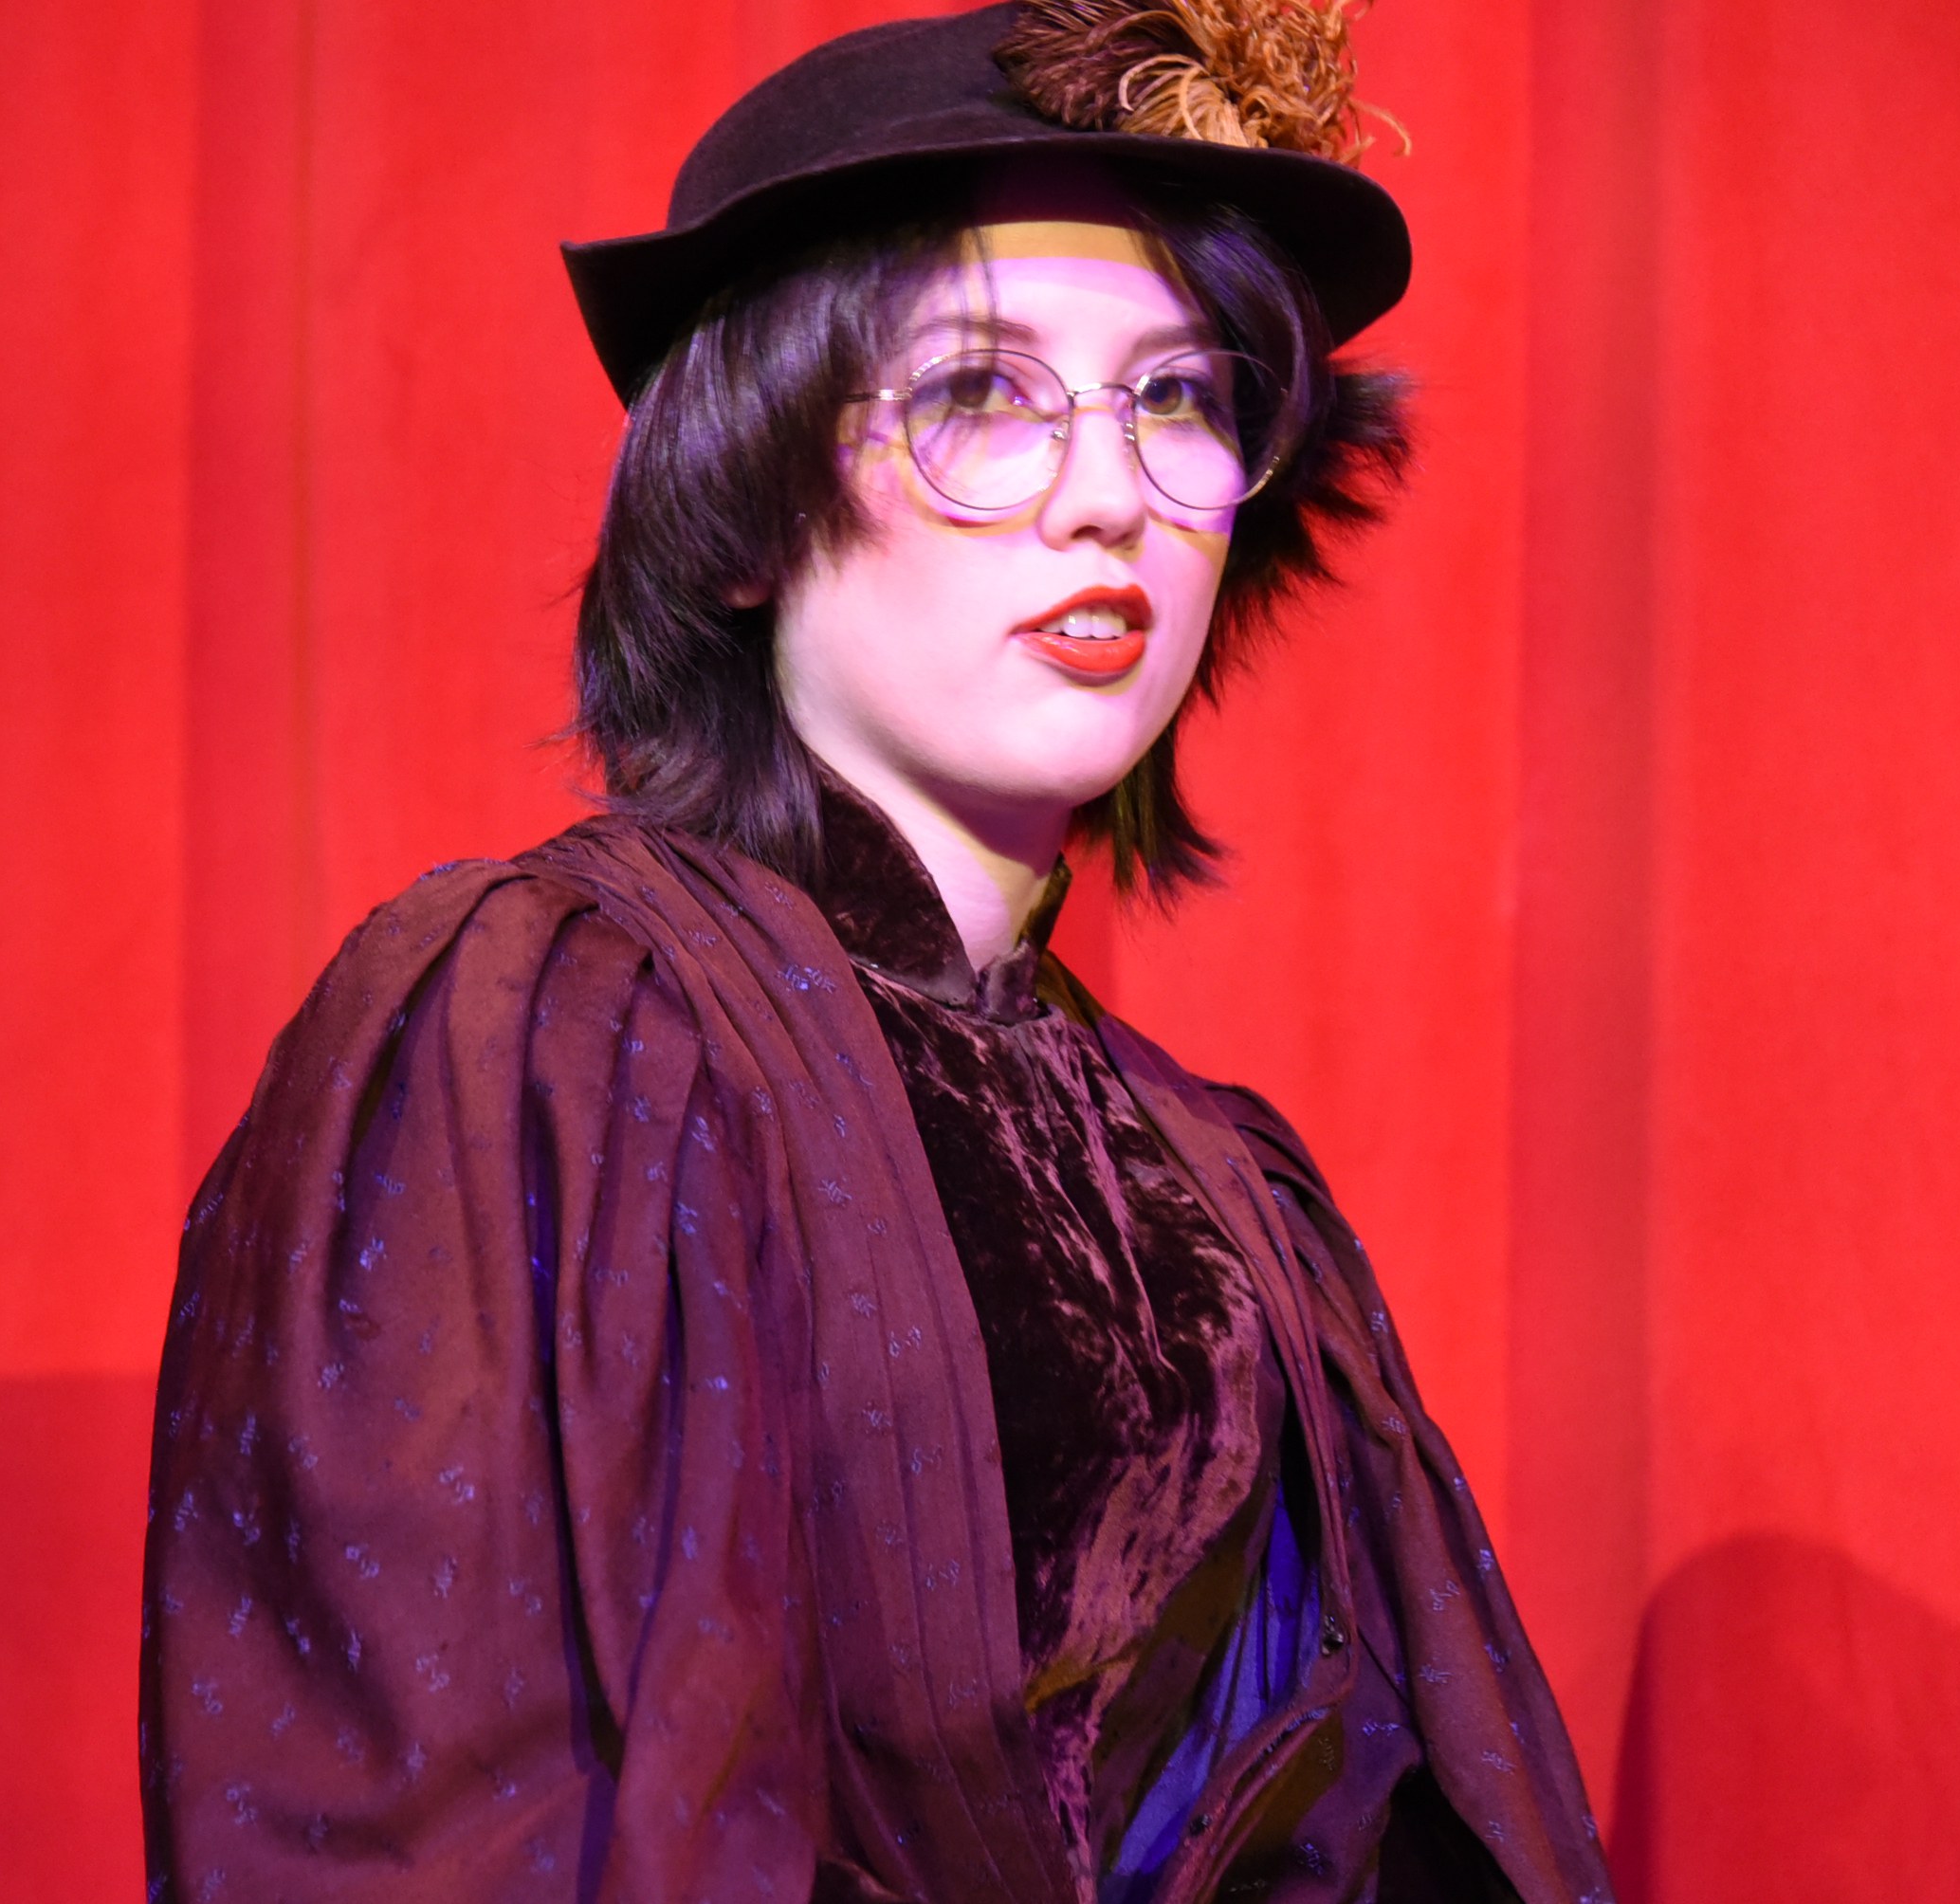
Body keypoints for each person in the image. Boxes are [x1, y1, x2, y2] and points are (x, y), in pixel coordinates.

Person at [140, 5, 1614, 1900]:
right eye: (984, 391)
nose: (1111, 496)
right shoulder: (543, 1038)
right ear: (744, 507)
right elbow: (416, 1826)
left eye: (1178, 396)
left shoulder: (1221, 1182)